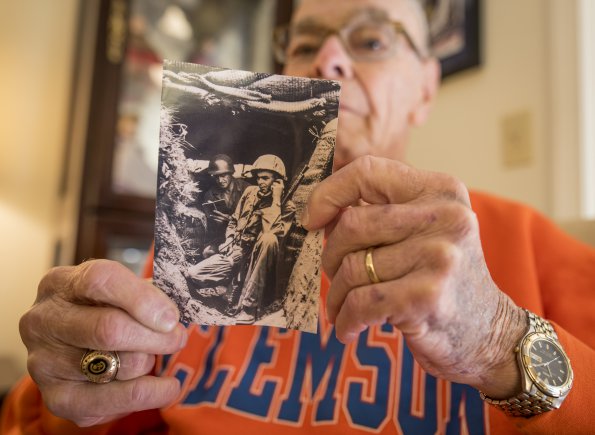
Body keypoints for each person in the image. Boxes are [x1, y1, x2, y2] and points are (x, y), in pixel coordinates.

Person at [2, 0, 595, 433]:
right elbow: (51, 417)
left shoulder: (530, 246)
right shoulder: (187, 252)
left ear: (426, 89)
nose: (328, 58)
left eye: (371, 40)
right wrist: (77, 377)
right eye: (306, 44)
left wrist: (498, 338)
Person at [185, 154, 296, 320]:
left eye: (266, 178)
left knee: (269, 239)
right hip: (237, 252)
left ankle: (249, 307)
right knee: (193, 274)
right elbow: (234, 221)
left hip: (258, 261)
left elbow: (273, 233)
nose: (260, 182)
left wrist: (276, 200)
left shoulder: (287, 207)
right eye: (258, 178)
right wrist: (230, 239)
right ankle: (224, 288)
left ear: (278, 181)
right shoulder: (250, 193)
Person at [200, 154, 250, 258]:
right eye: (216, 177)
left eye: (223, 175)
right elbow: (211, 229)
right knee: (207, 253)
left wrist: (230, 220)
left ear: (231, 173)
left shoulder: (246, 189)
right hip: (221, 238)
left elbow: (253, 218)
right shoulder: (210, 194)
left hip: (244, 236)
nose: (220, 180)